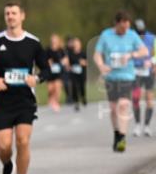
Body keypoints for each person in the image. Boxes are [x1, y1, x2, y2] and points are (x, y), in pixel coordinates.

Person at [0, 1, 50, 174]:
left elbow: (46, 69)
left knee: (23, 141)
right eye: (7, 13)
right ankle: (8, 166)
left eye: (14, 13)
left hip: (25, 101)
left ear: (22, 16)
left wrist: (35, 79)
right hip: (2, 102)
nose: (10, 16)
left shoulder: (33, 43)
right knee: (3, 147)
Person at [94, 11, 149, 152]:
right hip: (111, 77)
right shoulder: (106, 35)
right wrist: (101, 65)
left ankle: (123, 138)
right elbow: (97, 54)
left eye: (127, 27)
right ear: (116, 24)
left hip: (127, 76)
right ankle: (117, 133)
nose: (125, 30)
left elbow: (144, 51)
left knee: (123, 105)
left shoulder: (132, 35)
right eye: (122, 28)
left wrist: (131, 55)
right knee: (113, 108)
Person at [131, 19, 154, 137]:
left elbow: (155, 54)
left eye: (142, 32)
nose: (141, 34)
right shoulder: (130, 37)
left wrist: (153, 64)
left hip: (148, 71)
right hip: (135, 72)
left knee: (149, 99)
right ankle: (137, 124)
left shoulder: (152, 38)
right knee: (136, 98)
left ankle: (147, 126)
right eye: (138, 32)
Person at [45, 34, 68, 113]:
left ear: (58, 41)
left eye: (55, 39)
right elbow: (44, 59)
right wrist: (48, 62)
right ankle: (51, 100)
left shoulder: (61, 50)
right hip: (50, 72)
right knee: (50, 89)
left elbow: (66, 59)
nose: (54, 41)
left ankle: (56, 102)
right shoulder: (48, 50)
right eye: (52, 39)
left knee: (57, 87)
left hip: (59, 72)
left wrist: (64, 62)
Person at [66, 37, 88, 110]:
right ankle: (76, 102)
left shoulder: (83, 53)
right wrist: (69, 67)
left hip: (82, 73)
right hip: (73, 73)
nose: (76, 45)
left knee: (81, 86)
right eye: (75, 44)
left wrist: (83, 63)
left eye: (78, 43)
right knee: (74, 87)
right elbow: (68, 63)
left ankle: (83, 97)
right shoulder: (70, 53)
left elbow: (87, 62)